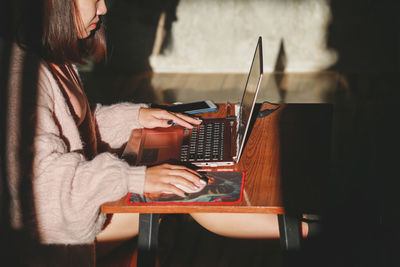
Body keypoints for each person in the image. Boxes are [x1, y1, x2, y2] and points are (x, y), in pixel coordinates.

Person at [7, 0, 312, 261]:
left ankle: (303, 224)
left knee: (187, 182)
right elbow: (45, 189)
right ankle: (307, 229)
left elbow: (79, 128)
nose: (103, 8)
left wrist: (138, 116)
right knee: (193, 193)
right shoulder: (24, 75)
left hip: (77, 209)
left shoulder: (51, 58)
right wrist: (138, 178)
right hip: (55, 240)